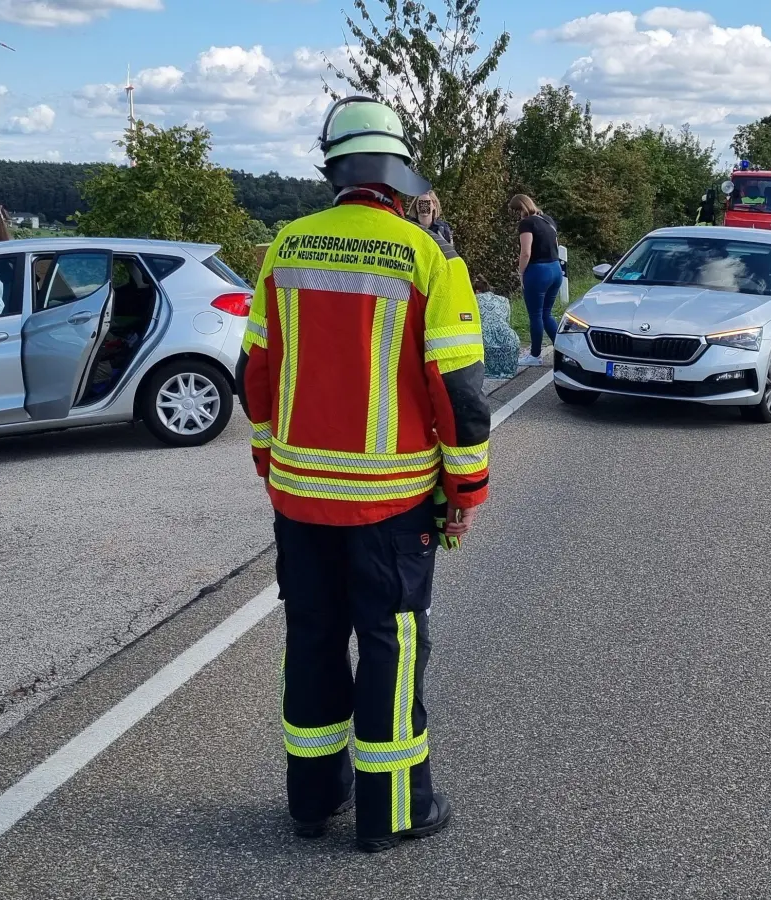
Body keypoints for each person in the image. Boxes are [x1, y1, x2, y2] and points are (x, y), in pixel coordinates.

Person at [239, 94, 489, 853]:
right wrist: (465, 489)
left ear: (336, 170)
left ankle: (313, 801)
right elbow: (458, 392)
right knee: (392, 645)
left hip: (300, 495)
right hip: (392, 501)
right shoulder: (428, 257)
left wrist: (269, 458)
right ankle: (392, 811)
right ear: (398, 175)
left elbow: (255, 373)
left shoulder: (286, 247)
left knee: (313, 639)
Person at [511, 194, 561, 366]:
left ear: (520, 209)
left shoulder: (527, 223)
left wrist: (521, 273)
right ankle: (563, 352)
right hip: (555, 268)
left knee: (535, 315)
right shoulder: (548, 220)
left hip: (538, 271)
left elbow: (526, 252)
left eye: (516, 211)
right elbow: (555, 244)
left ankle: (535, 355)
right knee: (547, 313)